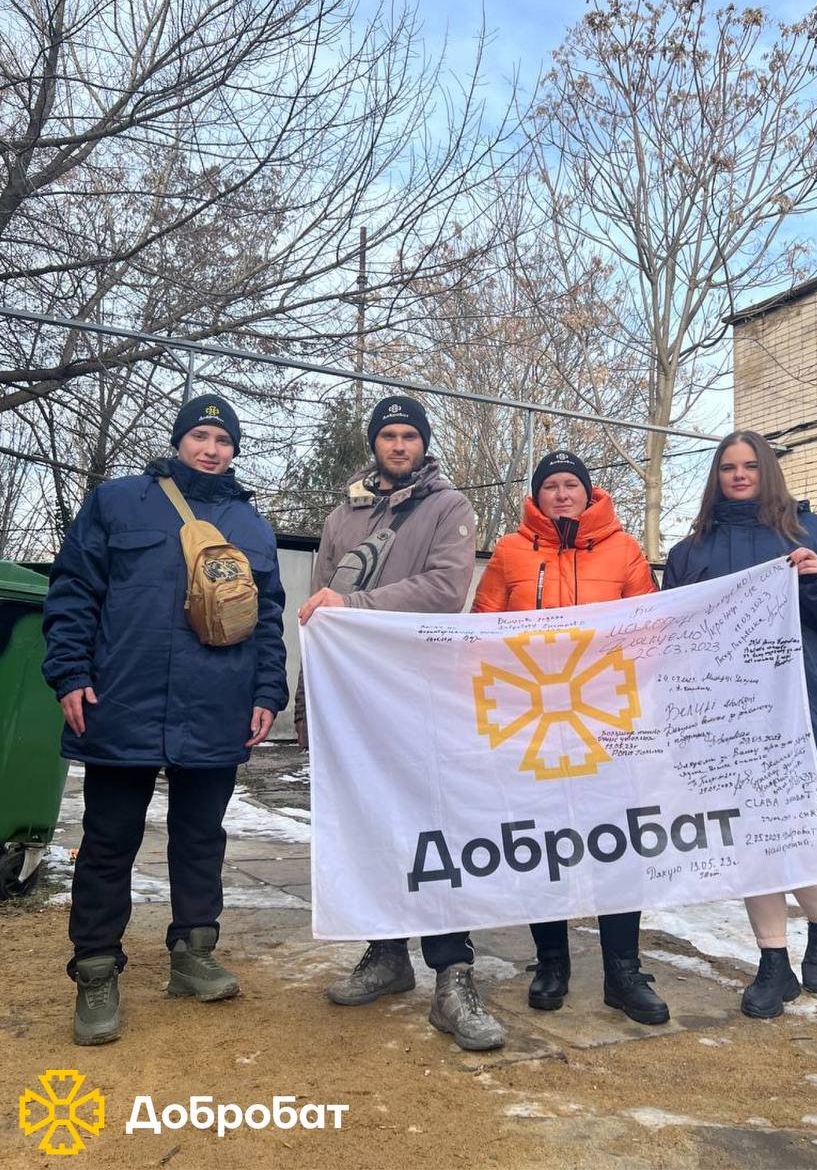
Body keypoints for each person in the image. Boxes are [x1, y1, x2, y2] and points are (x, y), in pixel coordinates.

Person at [42, 394, 288, 1046]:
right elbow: (74, 589)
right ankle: (96, 972)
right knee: (108, 841)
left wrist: (268, 690)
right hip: (123, 700)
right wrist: (70, 671)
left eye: (223, 440)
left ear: (234, 450)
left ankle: (193, 953)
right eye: (201, 435)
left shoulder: (251, 523)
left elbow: (267, 618)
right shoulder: (119, 501)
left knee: (201, 836)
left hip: (217, 705)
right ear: (180, 440)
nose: (212, 448)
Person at [296, 394, 505, 1052]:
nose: (397, 444)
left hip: (421, 693)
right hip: (355, 700)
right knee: (370, 828)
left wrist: (354, 602)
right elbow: (320, 617)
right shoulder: (340, 517)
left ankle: (453, 975)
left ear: (423, 443)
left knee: (433, 829)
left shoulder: (448, 508)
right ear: (374, 444)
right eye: (387, 434)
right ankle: (386, 957)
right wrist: (312, 701)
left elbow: (446, 591)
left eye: (408, 435)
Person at [663, 429, 817, 1018]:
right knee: (745, 837)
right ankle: (774, 961)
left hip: (798, 712)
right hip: (725, 717)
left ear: (767, 472)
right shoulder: (691, 552)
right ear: (716, 477)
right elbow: (675, 639)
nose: (738, 475)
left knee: (788, 829)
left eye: (749, 466)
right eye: (728, 467)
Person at [472, 449, 670, 1026]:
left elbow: (650, 629)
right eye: (551, 486)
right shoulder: (509, 552)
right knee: (543, 842)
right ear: (537, 495)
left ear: (588, 494)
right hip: (532, 724)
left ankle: (623, 972)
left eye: (571, 485)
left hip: (605, 722)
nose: (562, 494)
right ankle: (550, 962)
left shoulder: (625, 550)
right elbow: (482, 632)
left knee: (617, 843)